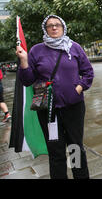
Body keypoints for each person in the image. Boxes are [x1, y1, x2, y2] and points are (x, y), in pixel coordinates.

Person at [16, 15, 94, 179]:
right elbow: (27, 80)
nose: (54, 27)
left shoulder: (74, 47)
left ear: (63, 27)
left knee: (75, 147)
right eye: (50, 25)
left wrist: (78, 89)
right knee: (55, 150)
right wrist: (23, 61)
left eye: (57, 24)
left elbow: (88, 73)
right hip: (47, 108)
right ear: (45, 29)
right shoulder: (36, 50)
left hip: (73, 106)